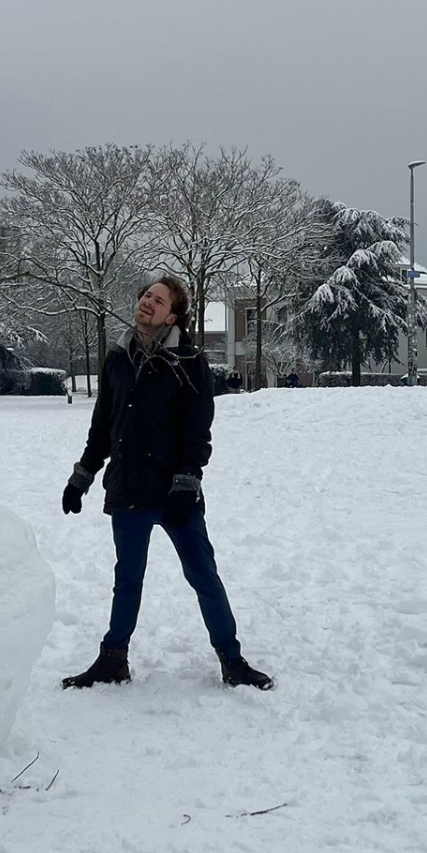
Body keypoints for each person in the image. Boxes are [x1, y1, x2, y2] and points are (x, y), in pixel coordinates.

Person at [60, 275, 273, 691]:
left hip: (175, 494)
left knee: (203, 576)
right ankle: (113, 660)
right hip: (127, 489)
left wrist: (186, 484)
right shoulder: (118, 358)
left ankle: (232, 659)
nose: (147, 303)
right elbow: (103, 424)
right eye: (145, 296)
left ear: (173, 314)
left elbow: (198, 433)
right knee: (128, 579)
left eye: (157, 300)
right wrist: (81, 477)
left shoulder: (190, 363)